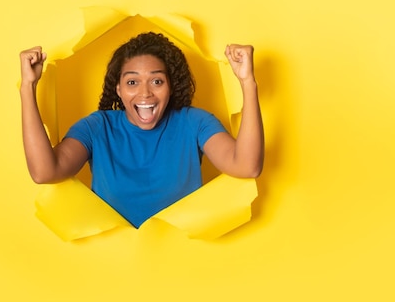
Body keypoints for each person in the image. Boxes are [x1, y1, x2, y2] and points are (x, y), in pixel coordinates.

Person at [20, 32, 264, 227]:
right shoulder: (98, 127)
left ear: (171, 86)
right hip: (112, 266)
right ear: (118, 89)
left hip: (184, 263)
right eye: (132, 82)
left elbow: (246, 166)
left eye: (157, 81)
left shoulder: (194, 123)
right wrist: (27, 87)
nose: (145, 93)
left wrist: (247, 82)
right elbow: (45, 172)